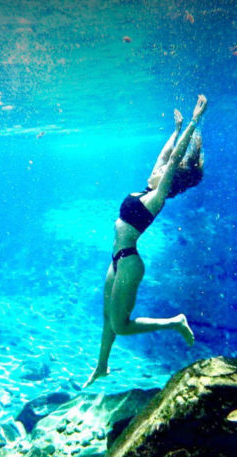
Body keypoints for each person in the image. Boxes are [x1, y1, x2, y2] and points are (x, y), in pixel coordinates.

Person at [83, 94, 208, 388]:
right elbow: (166, 157)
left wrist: (193, 122)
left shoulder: (156, 197)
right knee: (107, 317)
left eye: (164, 171)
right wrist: (176, 130)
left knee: (121, 326)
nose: (158, 168)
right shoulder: (147, 186)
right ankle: (101, 366)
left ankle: (175, 322)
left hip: (129, 263)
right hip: (117, 260)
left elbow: (174, 159)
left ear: (169, 179)